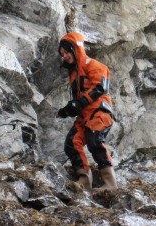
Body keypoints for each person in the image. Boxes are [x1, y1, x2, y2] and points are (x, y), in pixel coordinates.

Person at [56, 31, 117, 191]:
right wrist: (68, 109)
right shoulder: (74, 73)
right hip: (84, 116)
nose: (65, 56)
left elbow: (101, 87)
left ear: (75, 49)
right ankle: (85, 181)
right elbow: (78, 101)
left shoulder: (94, 65)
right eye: (63, 54)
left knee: (94, 140)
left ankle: (110, 184)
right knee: (71, 143)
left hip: (99, 112)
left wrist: (79, 102)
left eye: (67, 52)